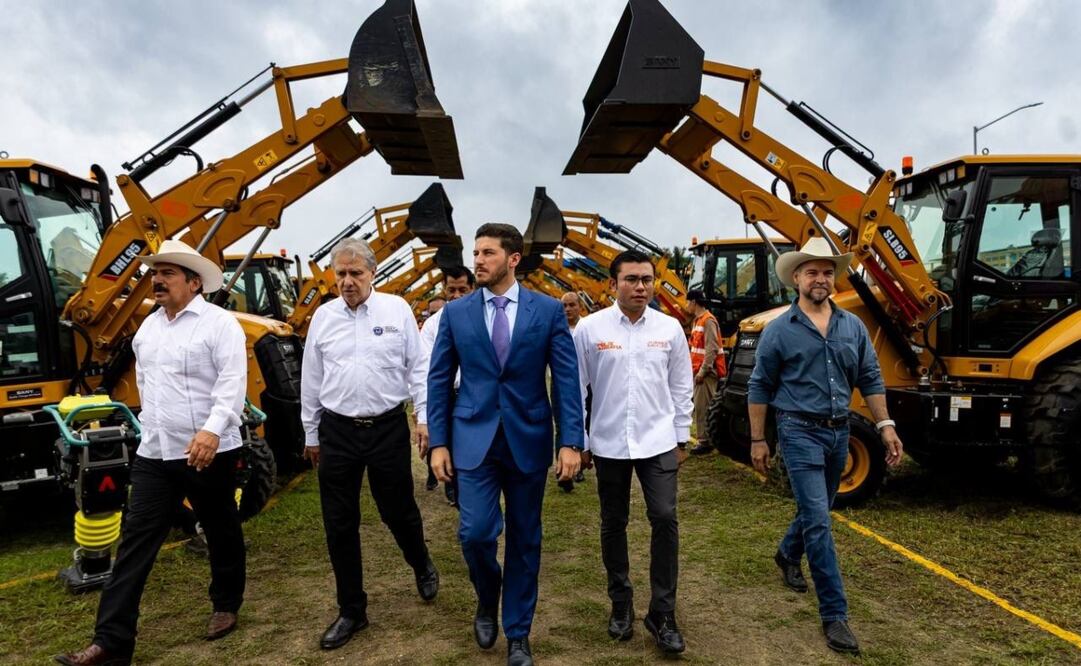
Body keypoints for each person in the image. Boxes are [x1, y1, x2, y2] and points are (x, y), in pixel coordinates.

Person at [56, 240, 247, 666]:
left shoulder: (220, 325)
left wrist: (211, 432)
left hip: (207, 452)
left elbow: (231, 387)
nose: (157, 280)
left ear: (194, 282)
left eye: (168, 273)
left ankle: (226, 602)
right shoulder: (148, 328)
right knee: (136, 543)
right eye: (155, 272)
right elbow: (148, 388)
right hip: (156, 452)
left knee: (220, 529)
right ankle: (111, 642)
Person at [427, 223, 583, 666]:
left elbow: (567, 381)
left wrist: (570, 441)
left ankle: (517, 632)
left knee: (524, 538)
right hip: (471, 440)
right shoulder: (455, 314)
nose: (477, 260)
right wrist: (439, 442)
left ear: (513, 259)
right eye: (476, 252)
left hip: (528, 439)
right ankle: (486, 594)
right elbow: (438, 380)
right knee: (475, 534)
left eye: (488, 253)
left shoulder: (548, 311)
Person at [747, 237, 903, 655]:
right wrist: (759, 439)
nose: (820, 278)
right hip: (797, 430)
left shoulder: (852, 326)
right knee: (819, 519)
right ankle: (835, 615)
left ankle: (786, 553)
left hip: (841, 432)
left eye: (827, 271)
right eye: (812, 271)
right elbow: (759, 386)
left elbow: (870, 377)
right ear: (796, 278)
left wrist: (885, 425)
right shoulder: (779, 330)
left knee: (820, 508)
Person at [301, 237, 438, 651]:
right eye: (340, 274)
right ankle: (352, 610)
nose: (347, 281)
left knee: (397, 510)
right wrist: (310, 433)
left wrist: (425, 418)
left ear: (372, 274)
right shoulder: (323, 318)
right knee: (339, 523)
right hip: (338, 431)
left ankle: (421, 562)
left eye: (355, 273)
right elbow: (311, 379)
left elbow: (419, 368)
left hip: (386, 429)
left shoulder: (396, 310)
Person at [572, 250, 693, 655]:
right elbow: (576, 390)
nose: (640, 287)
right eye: (631, 280)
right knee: (613, 522)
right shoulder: (589, 330)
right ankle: (620, 602)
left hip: (657, 441)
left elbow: (681, 387)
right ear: (613, 284)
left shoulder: (670, 329)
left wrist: (680, 437)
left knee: (664, 517)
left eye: (647, 279)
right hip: (608, 443)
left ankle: (663, 613)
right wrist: (582, 442)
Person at [420, 265, 476, 506]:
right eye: (451, 290)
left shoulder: (482, 319)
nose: (456, 295)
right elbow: (425, 370)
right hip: (447, 396)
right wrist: (423, 414)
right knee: (449, 445)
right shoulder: (433, 325)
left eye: (462, 289)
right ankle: (455, 490)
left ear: (473, 288)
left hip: (475, 395)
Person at [686, 289, 726, 456]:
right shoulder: (698, 321)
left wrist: (703, 371)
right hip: (699, 371)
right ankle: (706, 439)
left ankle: (705, 441)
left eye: (688, 301)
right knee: (701, 406)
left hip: (706, 373)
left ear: (694, 302)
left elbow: (711, 349)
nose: (686, 305)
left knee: (704, 407)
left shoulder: (707, 321)